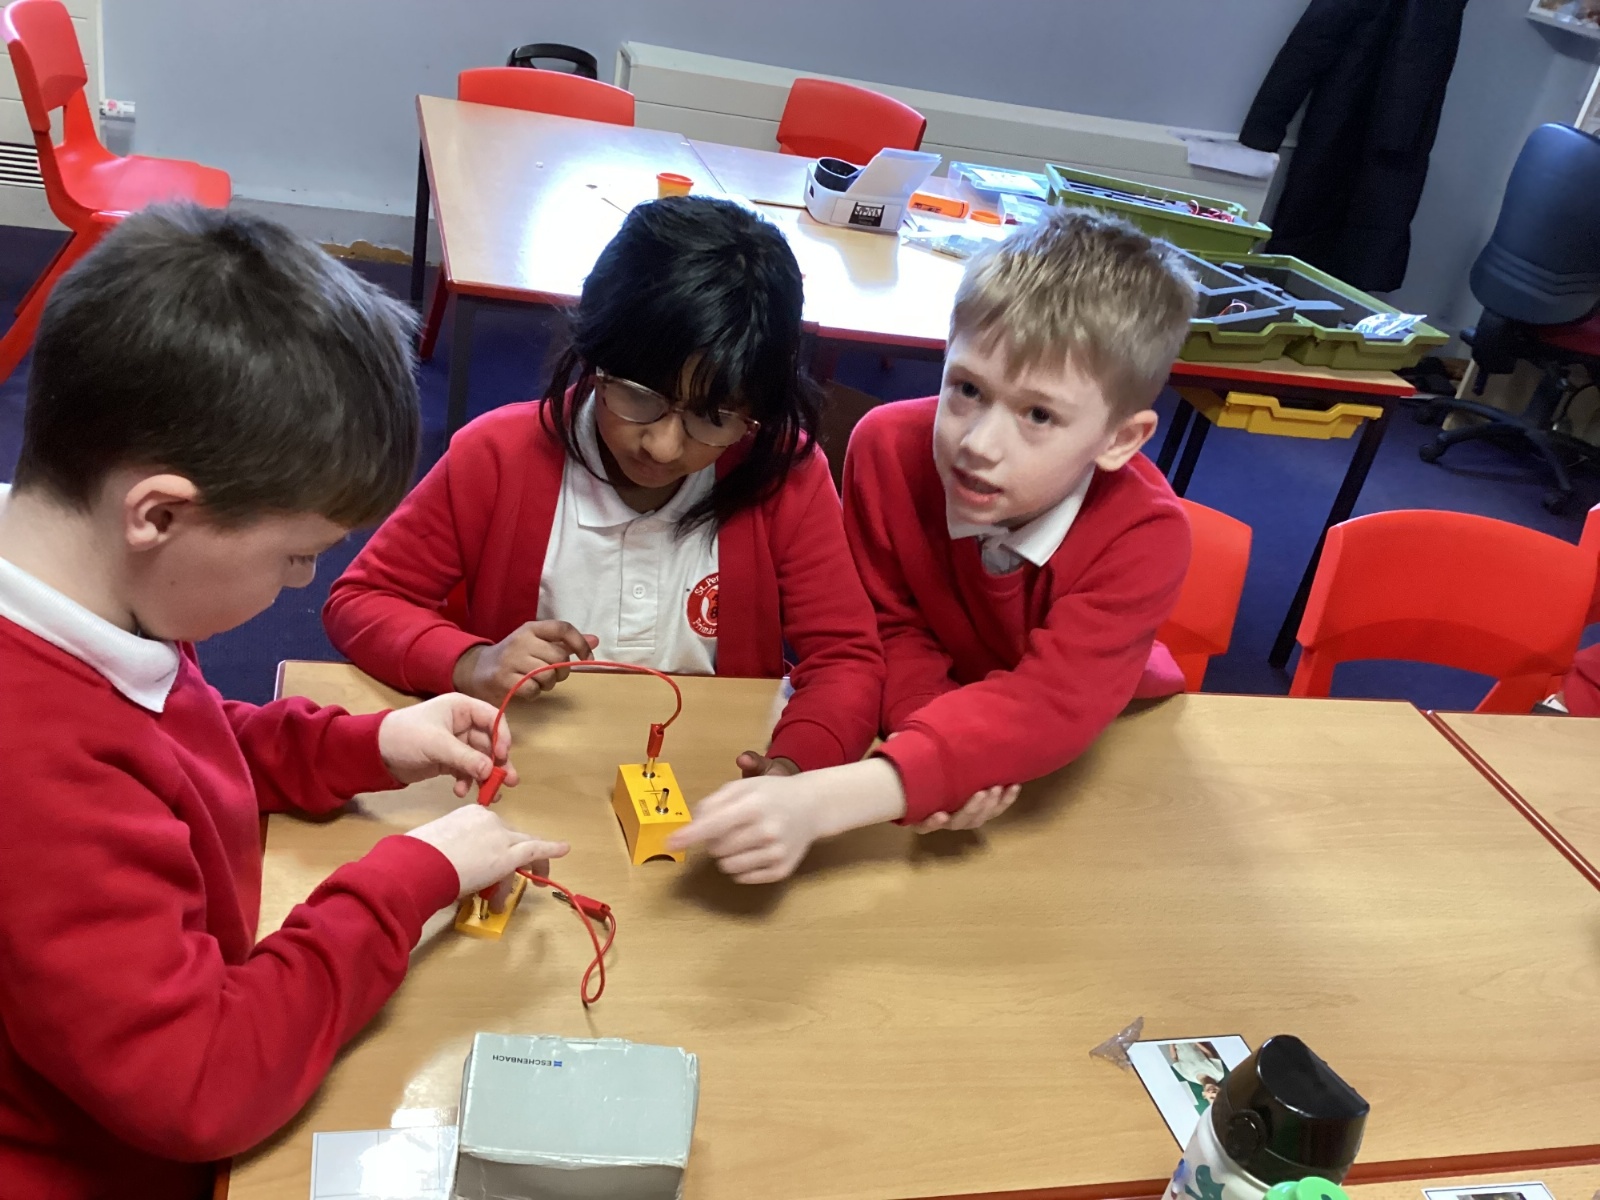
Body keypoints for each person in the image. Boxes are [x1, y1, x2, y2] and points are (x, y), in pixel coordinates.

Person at [0, 205, 564, 1198]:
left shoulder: (86, 590)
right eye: (297, 555)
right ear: (159, 514)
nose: (303, 584)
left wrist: (366, 745)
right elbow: (202, 1083)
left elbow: (177, 746)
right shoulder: (33, 761)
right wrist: (412, 880)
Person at [670, 208, 1195, 883]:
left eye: (1038, 414)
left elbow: (1050, 703)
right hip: (948, 731)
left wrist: (831, 799)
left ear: (1121, 439)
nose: (978, 444)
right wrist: (938, 755)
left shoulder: (1148, 535)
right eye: (968, 389)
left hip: (1095, 740)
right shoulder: (885, 449)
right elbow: (891, 626)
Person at [324, 196, 883, 779]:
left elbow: (847, 659)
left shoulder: (784, 474)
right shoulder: (498, 455)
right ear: (594, 357)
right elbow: (361, 601)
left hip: (711, 775)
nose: (663, 446)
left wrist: (793, 768)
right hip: (526, 767)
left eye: (713, 418)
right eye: (639, 396)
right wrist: (472, 662)